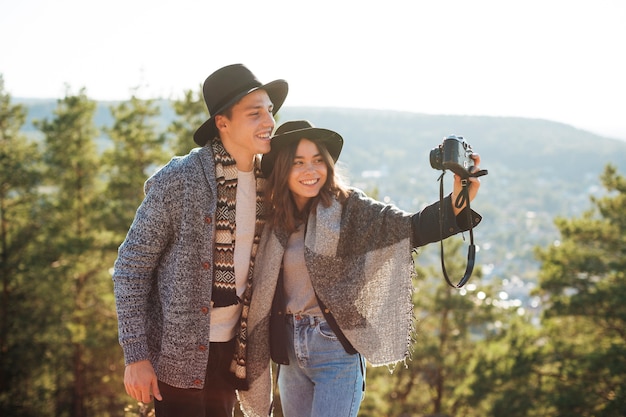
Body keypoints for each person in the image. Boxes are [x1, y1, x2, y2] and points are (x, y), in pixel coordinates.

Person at [238, 120, 483, 417]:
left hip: (334, 351)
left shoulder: (348, 207)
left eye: (318, 160)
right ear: (282, 168)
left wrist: (459, 201)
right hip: (289, 353)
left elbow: (407, 227)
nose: (310, 170)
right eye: (298, 162)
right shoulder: (272, 218)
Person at [112, 64, 288, 417]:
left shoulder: (271, 182)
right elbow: (130, 271)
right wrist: (136, 356)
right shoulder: (179, 179)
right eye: (255, 113)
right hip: (176, 354)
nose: (268, 121)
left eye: (270, 111)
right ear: (223, 123)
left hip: (234, 353)